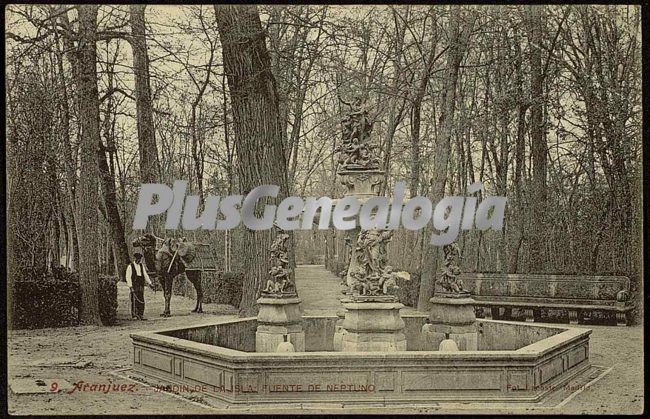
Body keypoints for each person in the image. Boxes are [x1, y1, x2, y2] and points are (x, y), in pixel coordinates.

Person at [126, 248, 154, 320]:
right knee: (134, 299)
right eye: (138, 259)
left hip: (141, 285)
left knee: (141, 299)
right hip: (134, 285)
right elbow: (128, 277)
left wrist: (150, 283)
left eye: (140, 259)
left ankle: (141, 314)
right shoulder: (130, 266)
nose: (139, 261)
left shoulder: (141, 266)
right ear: (135, 259)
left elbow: (145, 275)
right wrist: (130, 287)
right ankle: (134, 315)